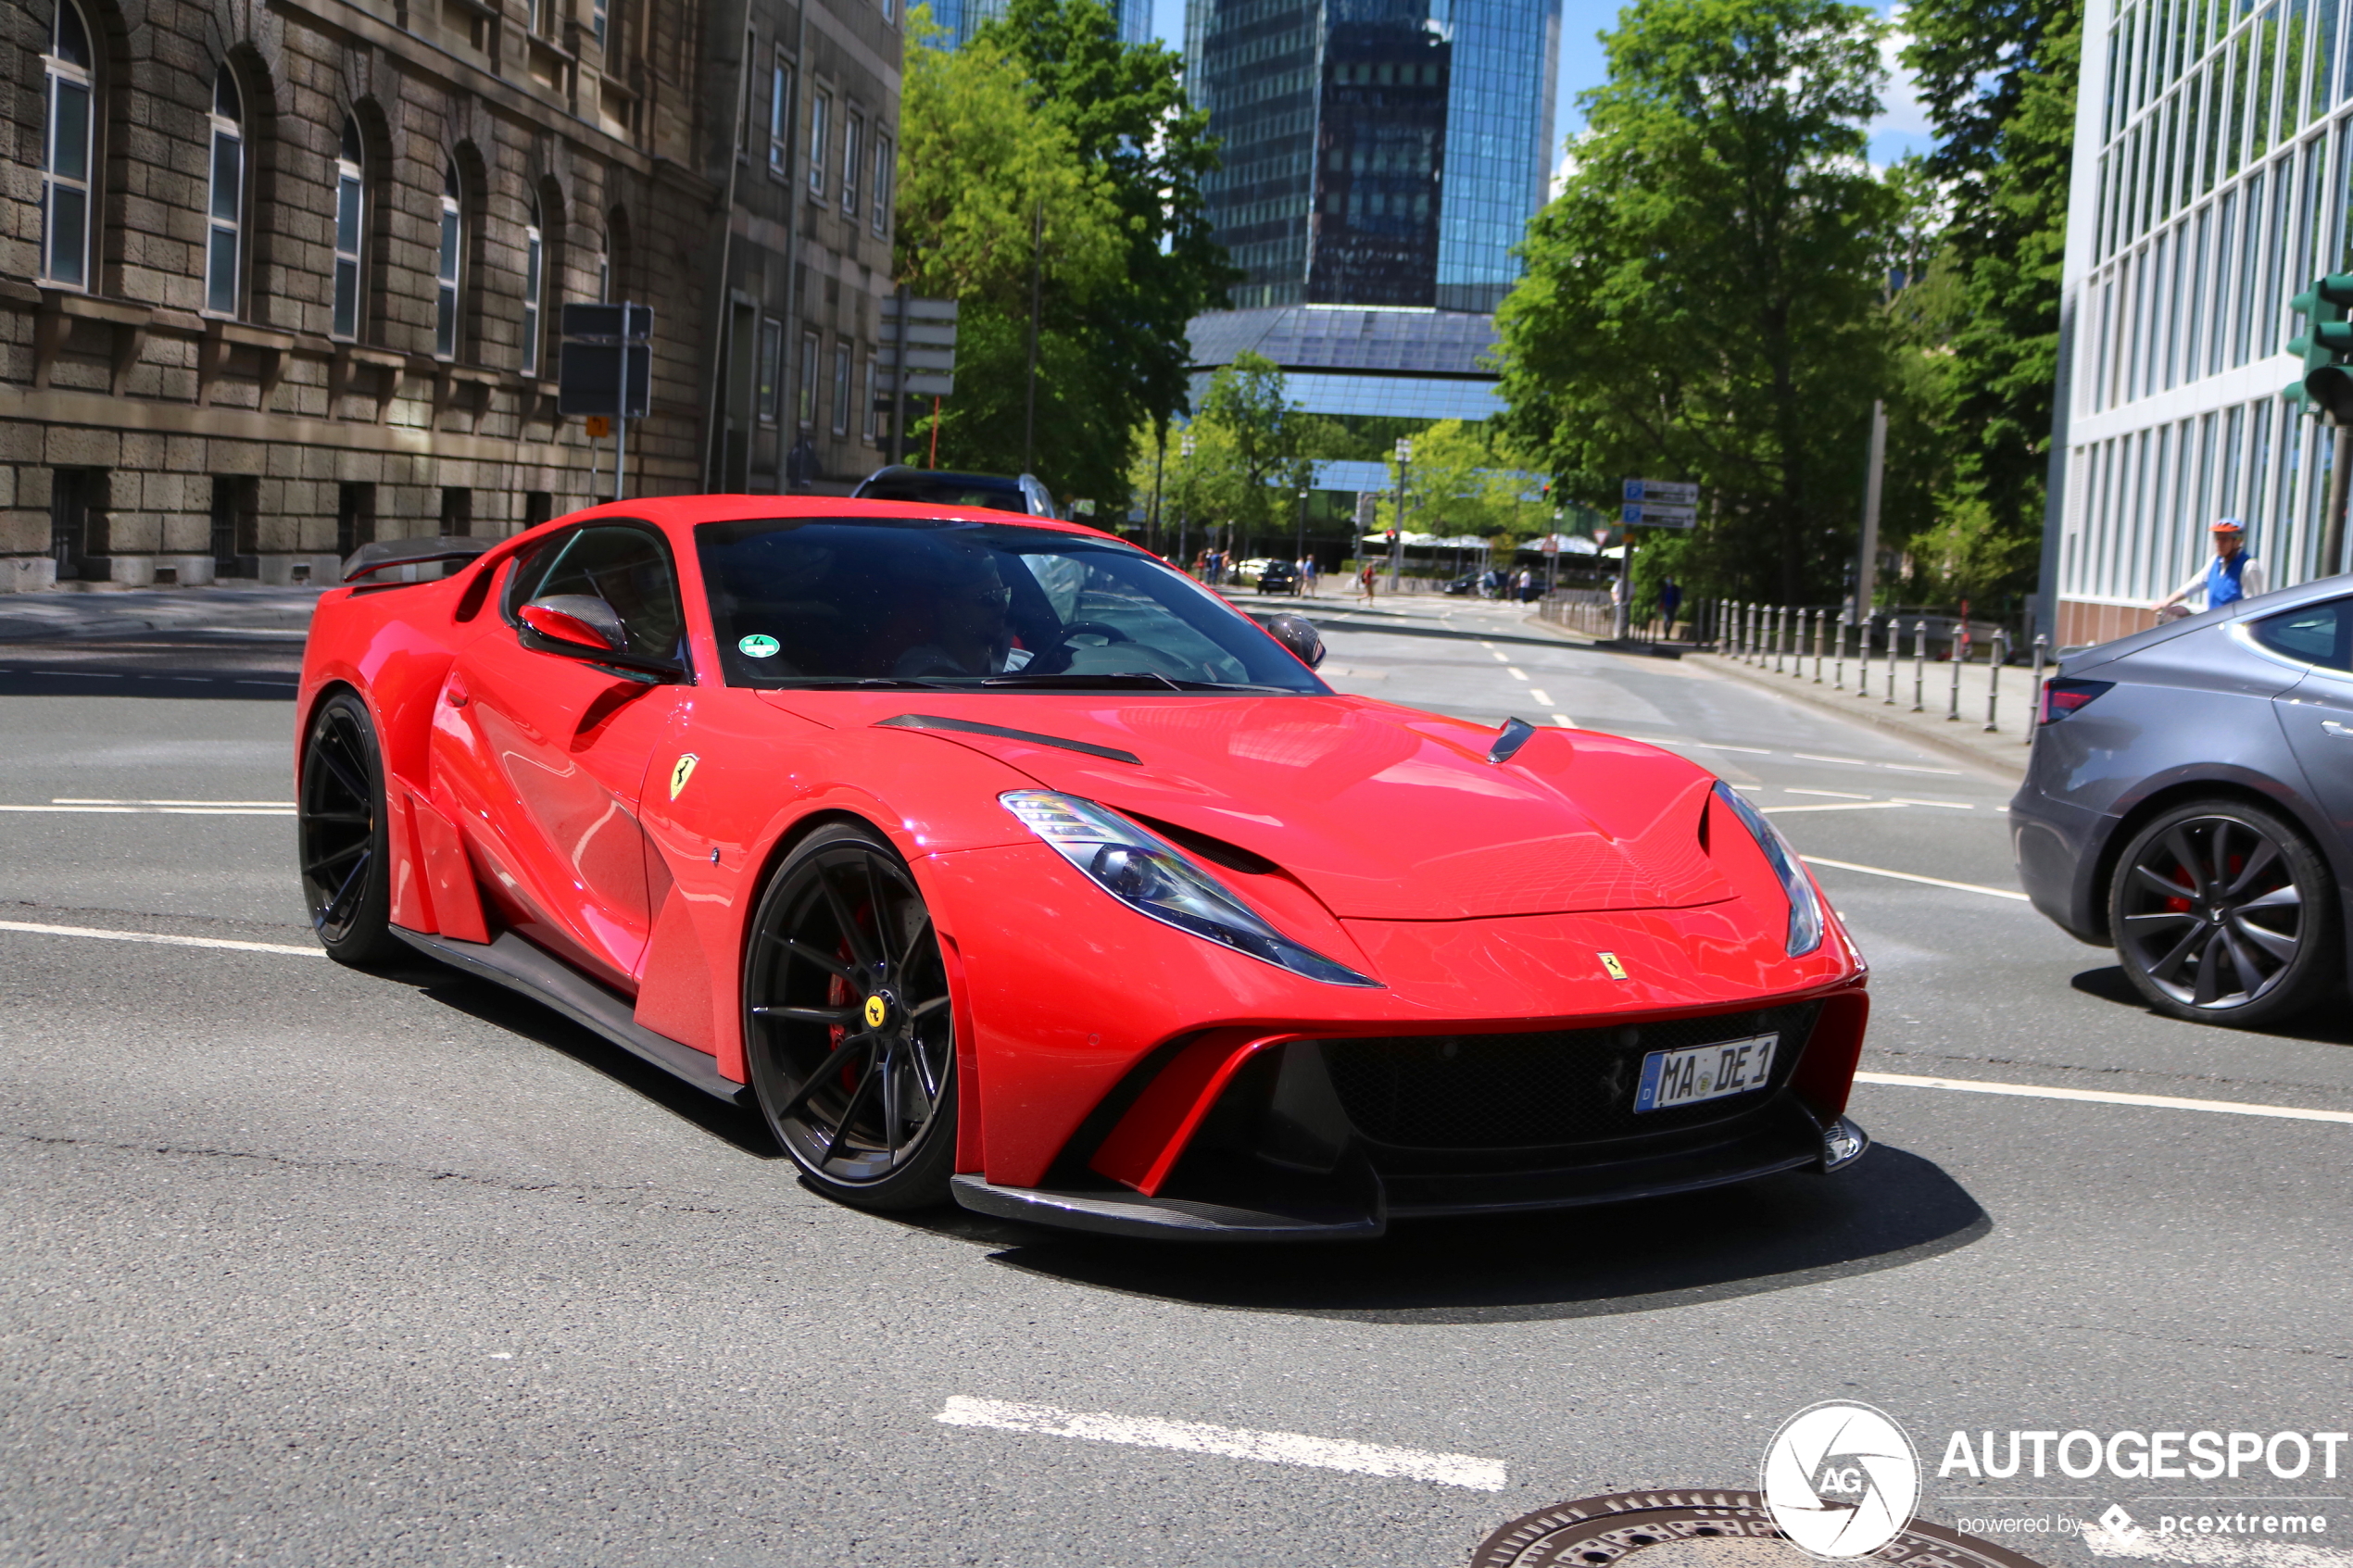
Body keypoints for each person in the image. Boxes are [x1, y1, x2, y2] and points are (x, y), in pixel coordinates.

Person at [2156, 518, 2267, 620]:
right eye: (2217, 538)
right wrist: (2168, 602)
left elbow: (2253, 606)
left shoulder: (2249, 566)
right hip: (2215, 624)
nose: (2219, 543)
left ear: (2237, 542)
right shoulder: (2216, 561)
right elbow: (2196, 584)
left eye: (2224, 540)